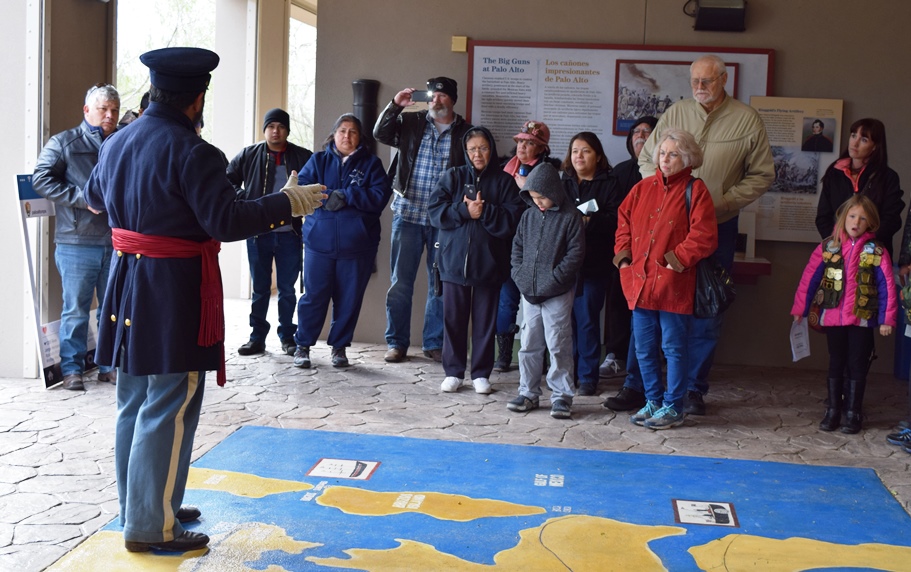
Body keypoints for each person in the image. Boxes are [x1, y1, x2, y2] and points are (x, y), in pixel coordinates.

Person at [83, 47, 325, 553]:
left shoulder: (117, 141)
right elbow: (225, 221)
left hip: (127, 280)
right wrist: (287, 203)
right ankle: (152, 527)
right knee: (169, 403)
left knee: (134, 399)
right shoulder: (194, 152)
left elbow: (96, 199)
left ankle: (146, 504)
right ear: (197, 99)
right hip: (171, 288)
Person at [620, 54, 774, 417]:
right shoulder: (676, 113)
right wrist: (658, 195)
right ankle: (641, 389)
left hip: (716, 223)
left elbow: (762, 175)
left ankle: (691, 391)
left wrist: (719, 203)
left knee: (705, 309)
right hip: (660, 227)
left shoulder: (746, 119)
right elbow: (648, 160)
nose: (699, 88)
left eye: (706, 81)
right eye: (694, 82)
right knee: (645, 302)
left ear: (723, 80)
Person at [618, 128, 718, 430]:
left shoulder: (696, 190)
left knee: (674, 348)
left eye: (672, 154)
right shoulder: (642, 187)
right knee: (644, 348)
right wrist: (623, 258)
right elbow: (622, 221)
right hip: (640, 282)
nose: (665, 159)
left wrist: (675, 261)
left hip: (674, 284)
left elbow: (705, 236)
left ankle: (673, 406)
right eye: (662, 153)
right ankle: (653, 401)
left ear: (686, 158)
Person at [373, 77, 472, 364]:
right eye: (432, 96)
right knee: (400, 283)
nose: (436, 101)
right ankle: (396, 343)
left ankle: (433, 343)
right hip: (408, 215)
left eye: (442, 96)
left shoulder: (465, 132)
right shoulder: (412, 122)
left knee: (439, 284)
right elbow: (380, 133)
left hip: (444, 221)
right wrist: (395, 106)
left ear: (452, 100)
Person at [32, 82, 121, 391]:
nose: (109, 115)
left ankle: (109, 367)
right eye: (102, 109)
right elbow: (40, 178)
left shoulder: (122, 143)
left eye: (113, 110)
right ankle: (71, 369)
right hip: (76, 242)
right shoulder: (64, 142)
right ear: (87, 110)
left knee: (114, 307)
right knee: (75, 309)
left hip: (116, 241)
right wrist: (83, 198)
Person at [428, 127, 524, 393]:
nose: (477, 154)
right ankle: (454, 372)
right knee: (453, 320)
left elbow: (513, 219)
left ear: (491, 149)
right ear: (465, 151)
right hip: (454, 263)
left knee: (485, 321)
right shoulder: (452, 177)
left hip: (489, 264)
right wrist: (464, 210)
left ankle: (481, 373)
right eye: (472, 149)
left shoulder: (505, 182)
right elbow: (434, 212)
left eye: (483, 148)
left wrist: (484, 212)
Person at [293, 114, 391, 368]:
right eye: (342, 131)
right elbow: (301, 189)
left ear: (360, 137)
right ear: (334, 135)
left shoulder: (371, 164)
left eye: (353, 132)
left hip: (357, 247)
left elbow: (380, 196)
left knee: (348, 300)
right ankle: (302, 346)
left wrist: (347, 195)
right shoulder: (318, 160)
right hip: (318, 245)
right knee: (313, 297)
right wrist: (326, 198)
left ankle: (339, 348)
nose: (347, 136)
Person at [792, 195, 896, 434]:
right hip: (833, 317)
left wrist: (886, 319)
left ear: (870, 223)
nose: (856, 222)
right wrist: (800, 308)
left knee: (857, 365)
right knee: (836, 362)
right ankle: (833, 410)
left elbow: (887, 285)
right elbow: (810, 278)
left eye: (862, 218)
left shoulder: (877, 250)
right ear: (842, 217)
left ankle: (853, 412)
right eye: (851, 216)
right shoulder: (829, 246)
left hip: (862, 319)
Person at [227, 108, 313, 356]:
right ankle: (257, 338)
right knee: (261, 288)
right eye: (271, 126)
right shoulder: (249, 155)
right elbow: (227, 180)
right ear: (264, 129)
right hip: (258, 232)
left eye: (281, 127)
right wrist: (246, 199)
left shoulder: (301, 156)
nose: (276, 131)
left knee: (288, 289)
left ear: (287, 130)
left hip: (290, 233)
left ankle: (288, 336)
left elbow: (313, 185)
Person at [506, 163, 585, 419]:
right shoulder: (528, 216)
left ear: (554, 191)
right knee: (529, 344)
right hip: (529, 293)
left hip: (557, 294)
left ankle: (561, 396)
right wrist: (519, 275)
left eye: (542, 197)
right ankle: (528, 392)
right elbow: (517, 248)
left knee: (558, 344)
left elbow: (574, 255)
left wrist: (553, 280)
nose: (538, 202)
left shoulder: (570, 217)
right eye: (533, 198)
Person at [559, 132, 619, 395]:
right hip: (566, 263)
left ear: (598, 155)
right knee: (565, 321)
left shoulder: (610, 182)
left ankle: (588, 377)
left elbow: (617, 219)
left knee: (587, 320)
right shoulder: (565, 181)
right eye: (574, 151)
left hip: (595, 262)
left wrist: (590, 221)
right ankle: (567, 374)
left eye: (585, 151)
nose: (579, 156)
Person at [495, 120, 557, 372]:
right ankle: (503, 355)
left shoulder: (548, 172)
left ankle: (539, 358)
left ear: (541, 148)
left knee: (537, 302)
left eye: (529, 142)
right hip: (507, 242)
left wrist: (528, 189)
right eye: (520, 141)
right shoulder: (505, 168)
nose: (522, 146)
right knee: (506, 300)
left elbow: (550, 209)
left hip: (537, 245)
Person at [600, 116, 657, 384]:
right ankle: (615, 355)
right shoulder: (620, 172)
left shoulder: (666, 172)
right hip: (623, 253)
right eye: (637, 132)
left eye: (648, 132)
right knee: (617, 304)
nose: (641, 136)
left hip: (655, 257)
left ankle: (648, 364)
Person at [815, 118, 904, 257]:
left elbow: (892, 220)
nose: (854, 143)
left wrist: (863, 243)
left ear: (875, 146)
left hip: (872, 254)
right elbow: (823, 217)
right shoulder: (834, 173)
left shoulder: (888, 177)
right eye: (853, 135)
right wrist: (839, 242)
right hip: (838, 251)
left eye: (863, 139)